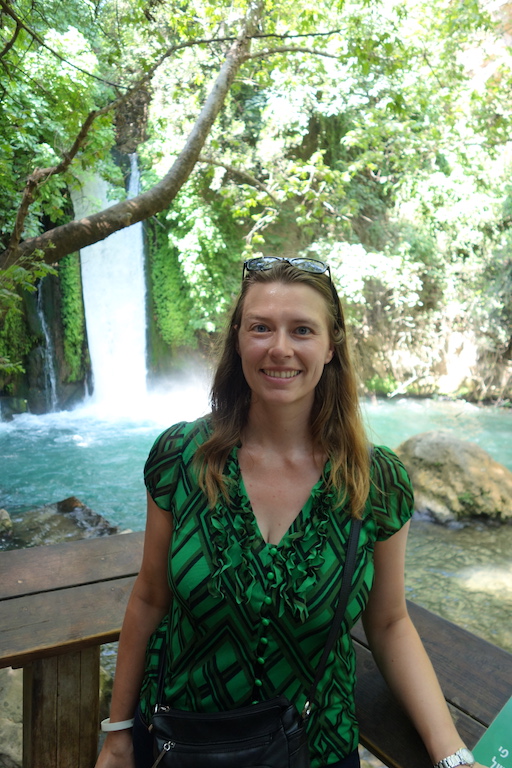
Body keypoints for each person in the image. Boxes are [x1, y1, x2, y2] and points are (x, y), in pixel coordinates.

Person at [95, 256, 486, 768]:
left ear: (331, 346)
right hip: (182, 741)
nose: (280, 348)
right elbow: (149, 598)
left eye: (302, 329)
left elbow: (389, 623)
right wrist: (118, 734)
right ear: (239, 340)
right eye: (261, 328)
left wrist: (451, 754)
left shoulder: (376, 481)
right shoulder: (182, 457)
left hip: (314, 750)